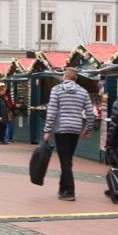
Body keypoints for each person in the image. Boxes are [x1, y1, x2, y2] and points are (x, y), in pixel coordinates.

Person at [43, 67, 94, 201]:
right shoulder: (83, 92)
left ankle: (70, 191)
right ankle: (62, 188)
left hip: (61, 128)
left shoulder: (57, 90)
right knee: (67, 159)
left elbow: (52, 111)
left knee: (64, 160)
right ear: (76, 78)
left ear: (65, 76)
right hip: (75, 128)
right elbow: (90, 112)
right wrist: (88, 128)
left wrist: (47, 130)